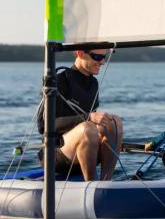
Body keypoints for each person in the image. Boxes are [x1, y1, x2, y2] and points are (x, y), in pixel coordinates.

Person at [37, 49, 123, 181]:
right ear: (80, 53)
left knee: (115, 122)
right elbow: (44, 126)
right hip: (57, 155)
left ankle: (106, 182)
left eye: (104, 57)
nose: (102, 62)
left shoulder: (93, 83)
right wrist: (88, 117)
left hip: (87, 151)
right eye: (97, 57)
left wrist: (93, 119)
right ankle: (91, 184)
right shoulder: (59, 81)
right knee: (87, 128)